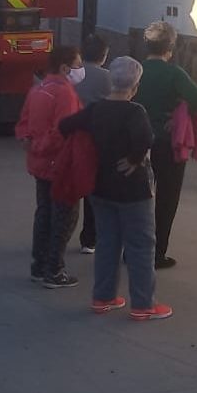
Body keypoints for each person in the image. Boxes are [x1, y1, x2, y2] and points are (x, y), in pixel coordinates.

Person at [59, 57, 172, 321]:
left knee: (108, 241)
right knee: (140, 245)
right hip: (133, 190)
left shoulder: (96, 109)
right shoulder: (135, 112)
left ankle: (103, 296)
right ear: (136, 86)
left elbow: (66, 126)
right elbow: (145, 138)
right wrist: (134, 159)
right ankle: (143, 303)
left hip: (100, 186)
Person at [133, 22, 197, 270]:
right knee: (166, 198)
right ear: (171, 48)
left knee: (135, 199)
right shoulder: (174, 74)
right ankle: (157, 254)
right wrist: (181, 114)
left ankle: (130, 249)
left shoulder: (137, 70)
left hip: (137, 143)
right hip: (166, 143)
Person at [15, 45, 84, 289]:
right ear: (65, 68)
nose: (80, 70)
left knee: (44, 212)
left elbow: (23, 123)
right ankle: (54, 270)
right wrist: (42, 146)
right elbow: (62, 130)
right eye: (77, 65)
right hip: (59, 164)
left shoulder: (38, 89)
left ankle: (39, 264)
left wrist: (30, 144)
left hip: (40, 165)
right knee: (64, 215)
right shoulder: (65, 93)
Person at [73, 34, 112, 255]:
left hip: (72, 135)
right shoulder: (108, 77)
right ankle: (89, 238)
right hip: (97, 138)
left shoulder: (71, 75)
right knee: (94, 189)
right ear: (104, 55)